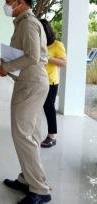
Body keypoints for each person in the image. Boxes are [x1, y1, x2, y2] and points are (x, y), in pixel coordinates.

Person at [0, 0, 51, 203]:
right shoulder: (23, 23)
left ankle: (39, 190)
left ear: (20, 2)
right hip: (30, 83)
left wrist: (5, 67)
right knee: (32, 134)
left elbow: (33, 57)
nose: (6, 5)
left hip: (30, 84)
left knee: (23, 135)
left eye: (9, 1)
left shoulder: (27, 24)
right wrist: (7, 65)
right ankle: (27, 179)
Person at [39, 19, 66, 148]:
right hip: (37, 80)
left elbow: (63, 63)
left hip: (50, 82)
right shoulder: (38, 44)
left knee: (48, 108)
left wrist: (47, 57)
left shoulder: (57, 45)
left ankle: (52, 136)